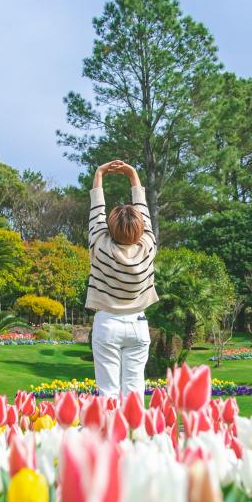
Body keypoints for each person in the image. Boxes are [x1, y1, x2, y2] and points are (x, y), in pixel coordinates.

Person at [85, 159, 157, 396]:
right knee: (135, 392)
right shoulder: (148, 246)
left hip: (107, 323)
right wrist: (133, 175)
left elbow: (96, 211)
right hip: (138, 325)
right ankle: (135, 434)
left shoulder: (100, 244)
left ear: (110, 228)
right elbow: (144, 212)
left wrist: (99, 173)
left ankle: (110, 433)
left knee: (108, 393)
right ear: (140, 229)